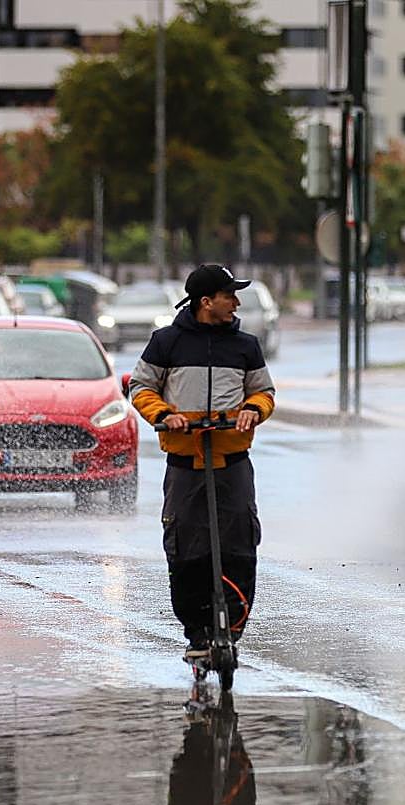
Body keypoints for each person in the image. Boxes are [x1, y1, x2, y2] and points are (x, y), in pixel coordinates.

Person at [128, 264, 276, 660]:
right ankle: (196, 634)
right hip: (185, 462)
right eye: (229, 295)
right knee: (186, 547)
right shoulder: (166, 342)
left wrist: (252, 411)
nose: (237, 302)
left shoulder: (245, 346)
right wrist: (163, 415)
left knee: (240, 545)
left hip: (232, 462)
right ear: (205, 301)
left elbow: (264, 393)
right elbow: (140, 386)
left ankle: (232, 627)